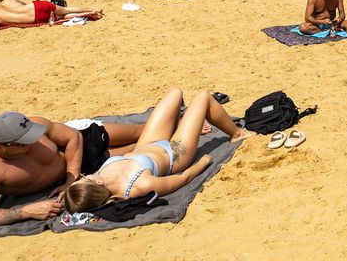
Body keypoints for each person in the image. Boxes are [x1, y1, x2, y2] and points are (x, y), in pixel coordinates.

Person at [64, 88, 251, 212]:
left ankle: (184, 122)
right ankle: (236, 133)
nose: (85, 176)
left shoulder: (101, 174)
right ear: (96, 183)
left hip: (146, 145)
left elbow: (79, 193)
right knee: (204, 97)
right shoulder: (139, 186)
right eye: (85, 179)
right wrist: (204, 162)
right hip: (175, 153)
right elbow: (182, 179)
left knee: (175, 93)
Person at [0, 112, 144, 224]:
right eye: (24, 142)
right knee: (145, 146)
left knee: (142, 131)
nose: (33, 142)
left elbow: (73, 137)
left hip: (83, 142)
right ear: (0, 148)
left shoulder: (36, 124)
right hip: (91, 169)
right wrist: (26, 211)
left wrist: (71, 179)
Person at [0, 0, 102, 24]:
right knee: (65, 9)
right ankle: (93, 9)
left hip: (36, 19)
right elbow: (24, 3)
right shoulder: (9, 0)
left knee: (62, 17)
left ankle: (89, 13)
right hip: (34, 7)